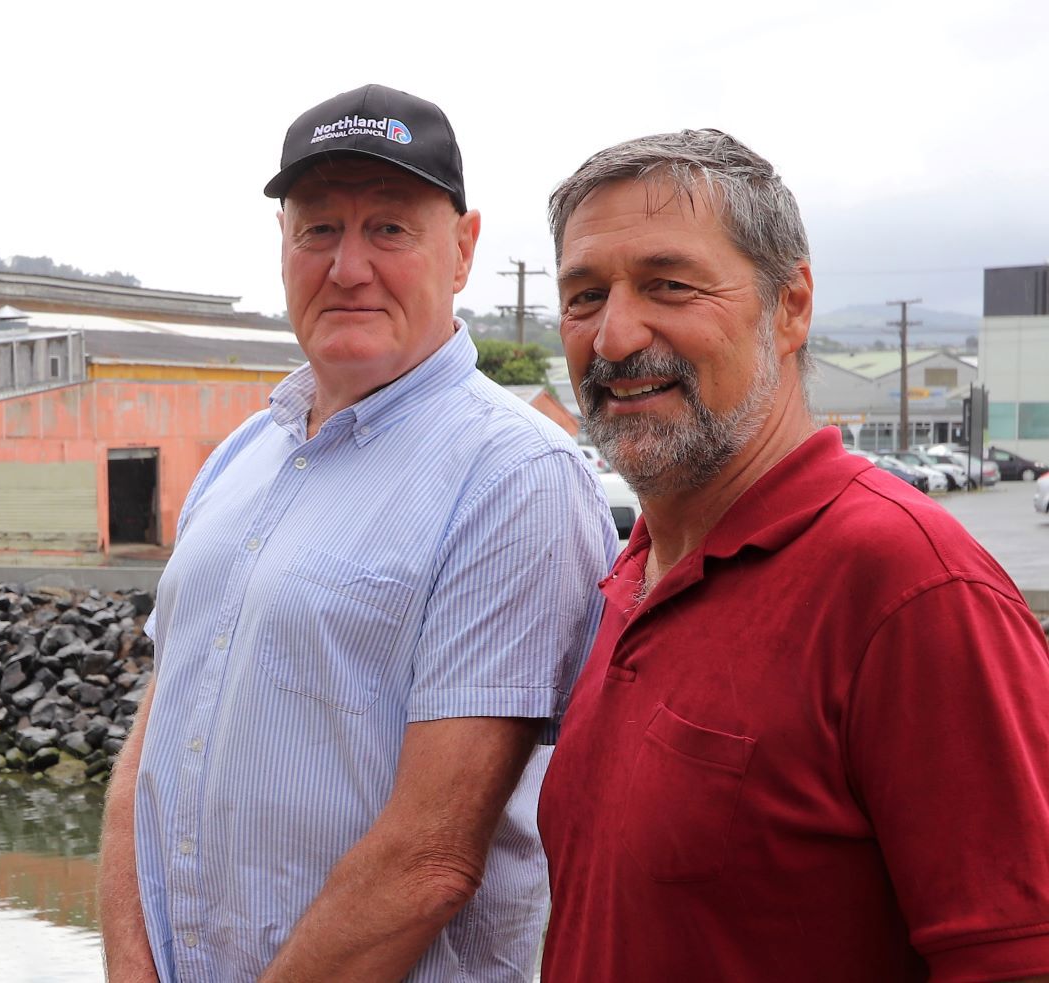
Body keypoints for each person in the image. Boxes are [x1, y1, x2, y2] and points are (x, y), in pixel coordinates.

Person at [97, 83, 613, 982]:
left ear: (463, 249)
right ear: (284, 247)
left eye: (389, 228)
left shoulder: (514, 478)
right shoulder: (243, 456)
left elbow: (428, 859)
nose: (347, 267)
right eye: (319, 229)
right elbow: (149, 753)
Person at [538, 129, 1049, 982]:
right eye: (584, 296)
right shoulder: (631, 576)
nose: (616, 336)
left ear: (791, 306)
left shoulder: (910, 587)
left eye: (668, 284)